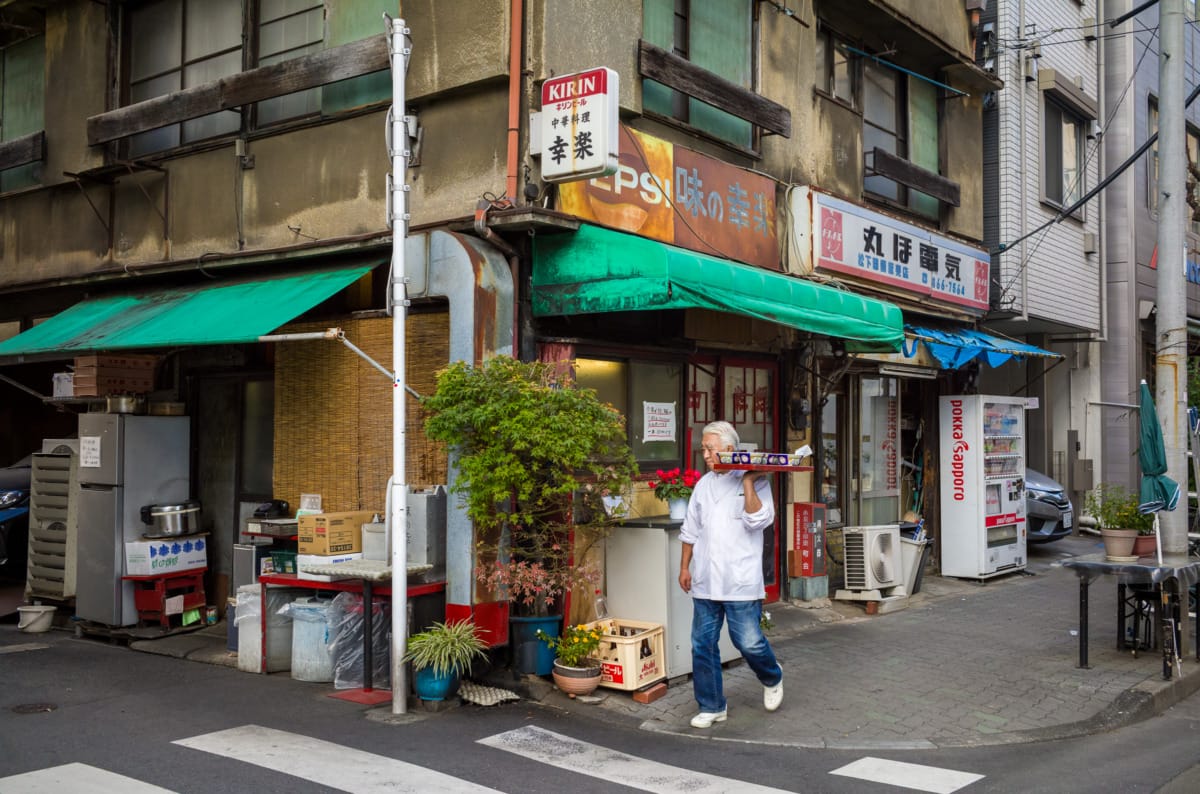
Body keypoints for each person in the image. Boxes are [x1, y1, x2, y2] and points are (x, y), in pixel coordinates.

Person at [678, 420, 783, 729]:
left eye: (711, 449)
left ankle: (772, 675)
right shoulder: (703, 485)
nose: (706, 455)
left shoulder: (757, 482)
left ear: (730, 450)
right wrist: (685, 566)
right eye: (704, 449)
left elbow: (757, 521)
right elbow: (690, 529)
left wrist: (749, 482)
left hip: (740, 581)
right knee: (702, 644)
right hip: (706, 580)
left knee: (747, 642)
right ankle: (712, 706)